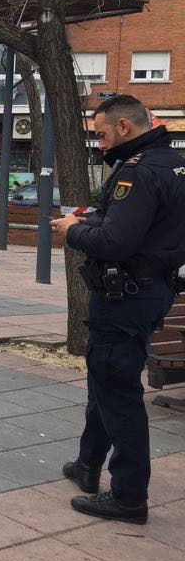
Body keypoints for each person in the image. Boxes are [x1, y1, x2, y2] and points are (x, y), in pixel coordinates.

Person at [52, 94, 185, 525]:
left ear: (125, 128)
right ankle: (88, 464)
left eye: (103, 134)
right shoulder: (174, 163)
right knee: (106, 380)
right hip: (155, 287)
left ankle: (129, 496)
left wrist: (74, 230)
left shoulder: (139, 173)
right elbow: (146, 228)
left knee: (117, 390)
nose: (101, 143)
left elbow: (116, 243)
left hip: (126, 294)